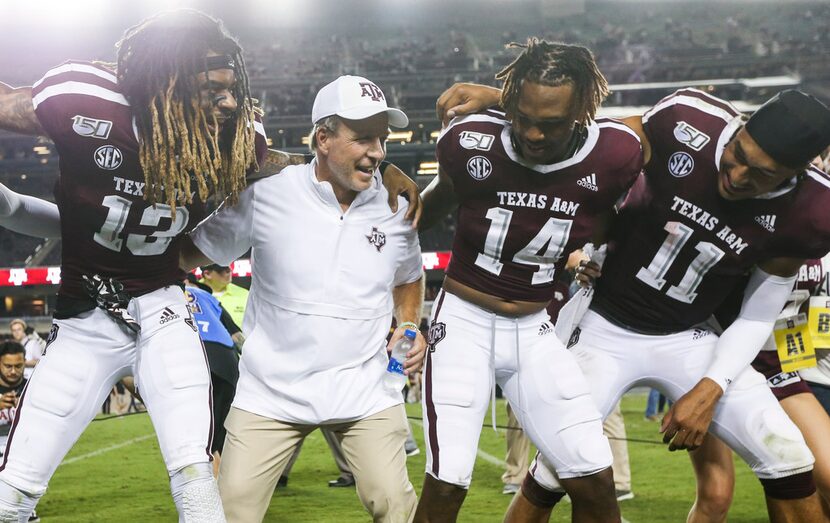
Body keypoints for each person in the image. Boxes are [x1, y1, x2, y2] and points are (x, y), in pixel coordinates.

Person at [436, 82, 830, 521]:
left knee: (788, 455)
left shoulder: (812, 209)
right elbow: (593, 143)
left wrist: (711, 387)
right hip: (604, 321)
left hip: (690, 334)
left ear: (794, 175)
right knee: (554, 471)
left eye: (763, 174)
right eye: (739, 154)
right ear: (739, 127)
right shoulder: (687, 121)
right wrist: (506, 100)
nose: (738, 176)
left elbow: (759, 313)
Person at [0, 9, 269, 521]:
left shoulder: (236, 136)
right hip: (85, 318)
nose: (230, 103)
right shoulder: (83, 100)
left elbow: (291, 171)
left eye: (231, 89)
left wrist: (380, 174)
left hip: (164, 308)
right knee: (11, 498)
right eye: (213, 91)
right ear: (163, 83)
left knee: (195, 476)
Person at [416, 39, 644, 522]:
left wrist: (593, 250)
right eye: (522, 116)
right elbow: (422, 211)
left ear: (582, 111)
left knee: (595, 479)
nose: (533, 134)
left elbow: (618, 200)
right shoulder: (469, 139)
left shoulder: (615, 154)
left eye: (551, 123)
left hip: (537, 329)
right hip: (463, 322)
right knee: (448, 480)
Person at [180, 74, 426, 523]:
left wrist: (409, 322)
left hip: (365, 389)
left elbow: (409, 278)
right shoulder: (265, 196)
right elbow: (188, 254)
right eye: (363, 138)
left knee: (397, 506)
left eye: (382, 139)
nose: (378, 152)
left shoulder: (394, 207)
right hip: (270, 392)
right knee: (229, 511)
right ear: (323, 138)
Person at [183, 277, 244, 476]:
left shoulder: (160, 295)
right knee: (219, 433)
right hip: (225, 360)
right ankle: (231, 482)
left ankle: (212, 490)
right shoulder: (206, 297)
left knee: (197, 436)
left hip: (191, 356)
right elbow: (237, 337)